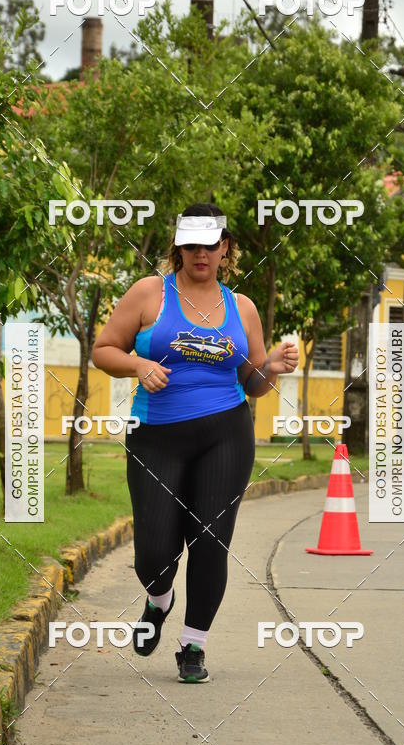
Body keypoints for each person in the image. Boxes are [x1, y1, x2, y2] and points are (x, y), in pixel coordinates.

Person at [91, 202, 299, 682]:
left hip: (225, 434)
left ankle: (193, 646)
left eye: (210, 245)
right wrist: (138, 365)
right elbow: (104, 349)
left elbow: (253, 384)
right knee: (154, 550)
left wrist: (272, 369)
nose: (200, 254)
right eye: (190, 245)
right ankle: (159, 599)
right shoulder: (149, 294)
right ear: (178, 247)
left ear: (225, 248)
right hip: (155, 436)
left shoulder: (241, 307)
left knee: (210, 541)